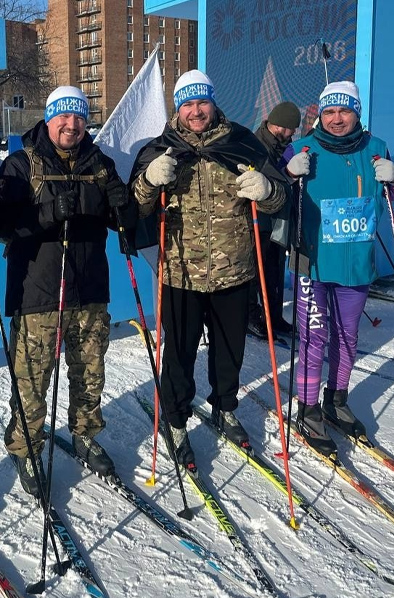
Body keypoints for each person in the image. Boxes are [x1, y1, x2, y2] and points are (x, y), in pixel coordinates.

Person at [130, 71, 288, 468]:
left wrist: (267, 191)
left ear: (213, 104)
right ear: (178, 108)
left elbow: (280, 194)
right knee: (179, 355)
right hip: (180, 273)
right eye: (188, 104)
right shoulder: (161, 148)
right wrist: (150, 181)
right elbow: (135, 205)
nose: (196, 111)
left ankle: (224, 407)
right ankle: (177, 419)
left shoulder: (242, 142)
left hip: (234, 271)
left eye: (202, 103)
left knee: (229, 350)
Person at [0, 86, 135, 498]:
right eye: (63, 118)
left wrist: (122, 205)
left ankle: (85, 434)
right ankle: (26, 446)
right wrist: (49, 213)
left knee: (90, 372)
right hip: (39, 289)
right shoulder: (21, 163)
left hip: (90, 288)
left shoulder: (99, 162)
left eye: (79, 118)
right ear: (49, 119)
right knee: (33, 378)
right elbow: (2, 224)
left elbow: (119, 218)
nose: (72, 125)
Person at [282, 81, 394, 456]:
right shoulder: (304, 147)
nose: (337, 119)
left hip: (356, 263)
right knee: (314, 338)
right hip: (314, 261)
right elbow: (274, 190)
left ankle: (335, 401)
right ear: (321, 114)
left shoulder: (376, 148)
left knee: (348, 337)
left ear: (357, 112)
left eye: (345, 111)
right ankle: (307, 408)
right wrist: (288, 172)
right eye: (330, 112)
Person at [248, 102, 301, 340]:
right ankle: (252, 318)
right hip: (258, 222)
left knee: (275, 271)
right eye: (291, 129)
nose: (292, 134)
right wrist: (289, 174)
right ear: (280, 126)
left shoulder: (285, 145)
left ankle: (274, 317)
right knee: (254, 271)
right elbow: (270, 176)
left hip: (279, 220)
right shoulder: (256, 144)